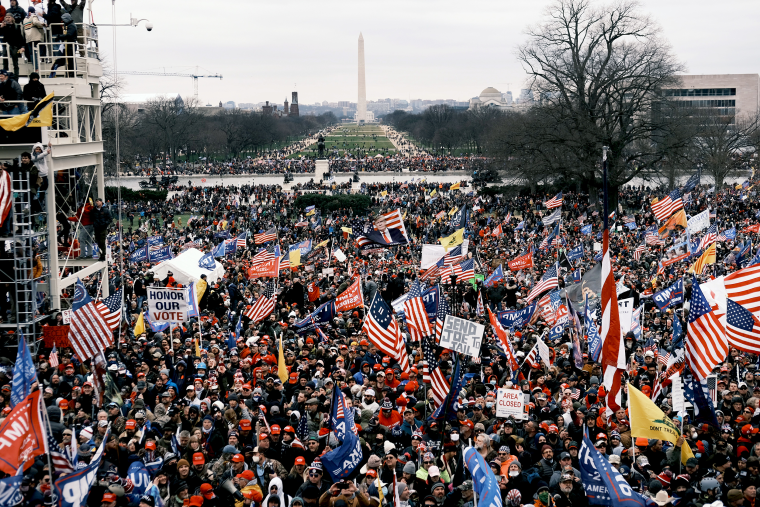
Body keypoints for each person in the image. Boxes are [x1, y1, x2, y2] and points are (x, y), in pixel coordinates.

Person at [0, 12, 24, 79]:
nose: (7, 18)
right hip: (6, 45)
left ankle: (16, 79)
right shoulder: (4, 26)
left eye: (9, 17)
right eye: (6, 17)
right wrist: (1, 27)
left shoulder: (16, 26)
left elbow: (20, 37)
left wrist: (22, 47)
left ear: (12, 18)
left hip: (14, 46)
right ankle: (5, 77)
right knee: (5, 62)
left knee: (15, 63)